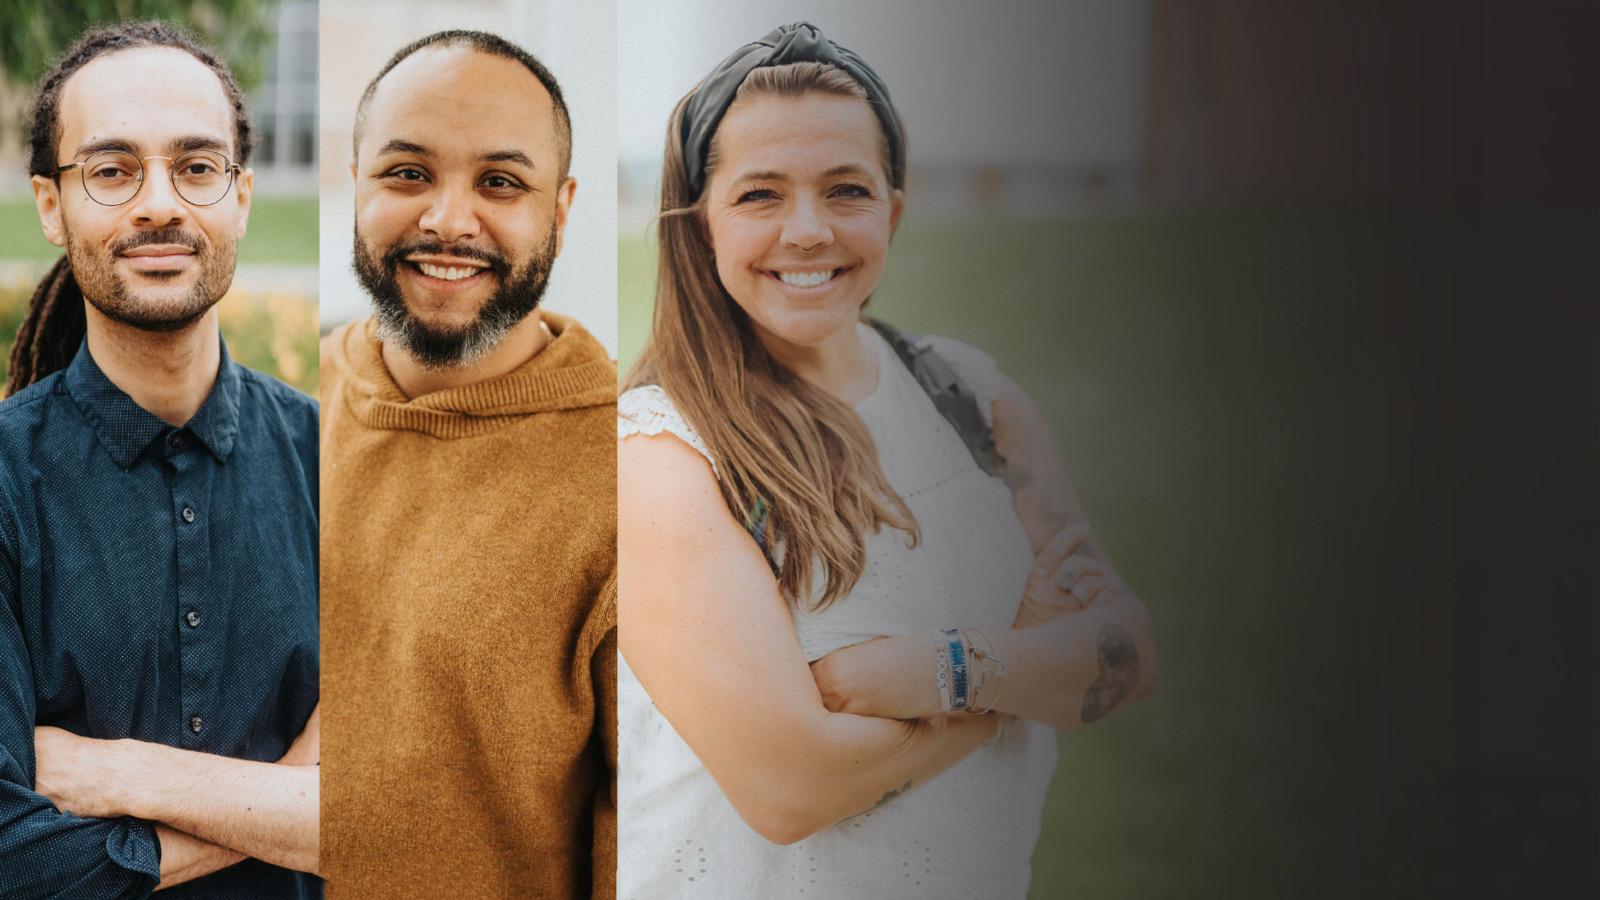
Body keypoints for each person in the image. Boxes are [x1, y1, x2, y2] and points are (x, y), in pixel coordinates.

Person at [618, 22, 1159, 898]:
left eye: (847, 190)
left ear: (893, 211)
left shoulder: (970, 398)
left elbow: (1128, 651)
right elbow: (791, 790)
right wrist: (1026, 670)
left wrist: (942, 670)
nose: (807, 231)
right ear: (700, 222)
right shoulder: (663, 455)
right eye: (760, 194)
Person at [0, 20, 319, 898]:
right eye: (111, 170)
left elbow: (401, 800)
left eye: (196, 166)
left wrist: (125, 775)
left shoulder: (338, 464)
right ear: (51, 205)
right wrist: (295, 805)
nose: (159, 204)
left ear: (240, 198)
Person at [318, 31, 616, 899]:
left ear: (561, 209)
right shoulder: (291, 396)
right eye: (408, 173)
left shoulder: (633, 477)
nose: (448, 221)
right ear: (356, 183)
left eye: (500, 183)